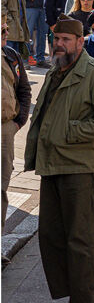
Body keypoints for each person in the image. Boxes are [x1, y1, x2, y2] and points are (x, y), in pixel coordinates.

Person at [23, 17, 94, 303]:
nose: (60, 44)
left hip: (81, 167)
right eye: (56, 39)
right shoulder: (56, 69)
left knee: (82, 239)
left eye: (67, 39)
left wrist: (70, 131)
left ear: (81, 42)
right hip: (53, 163)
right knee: (53, 237)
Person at [2, 18, 31, 231]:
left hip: (5, 129)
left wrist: (18, 122)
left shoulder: (12, 56)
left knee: (1, 185)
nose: (4, 32)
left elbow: (24, 90)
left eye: (5, 28)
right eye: (0, 29)